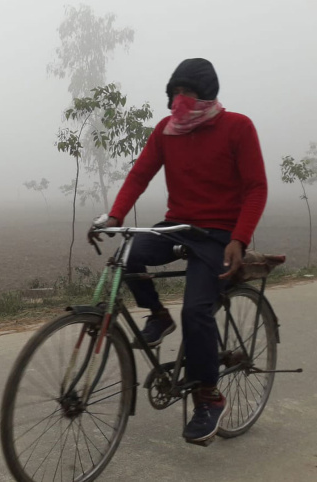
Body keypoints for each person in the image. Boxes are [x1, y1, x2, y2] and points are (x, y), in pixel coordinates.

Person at [89, 58, 268, 443]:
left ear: (207, 95)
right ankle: (157, 315)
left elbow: (256, 187)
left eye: (188, 92)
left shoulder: (238, 127)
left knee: (196, 310)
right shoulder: (166, 131)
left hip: (219, 234)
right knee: (130, 254)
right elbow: (140, 174)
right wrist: (115, 215)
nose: (180, 99)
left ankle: (209, 397)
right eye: (175, 92)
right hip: (179, 225)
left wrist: (240, 238)